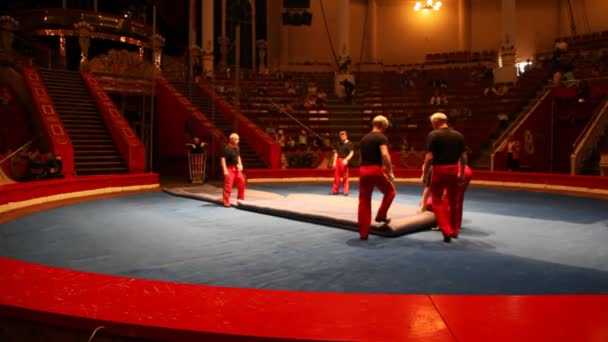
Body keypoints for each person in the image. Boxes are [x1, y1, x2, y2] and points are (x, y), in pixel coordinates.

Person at [421, 112, 467, 243]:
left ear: (435, 122)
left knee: (436, 201)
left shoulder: (433, 135)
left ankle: (445, 230)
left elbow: (429, 157)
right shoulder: (459, 135)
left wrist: (425, 175)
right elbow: (463, 157)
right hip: (454, 169)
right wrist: (462, 173)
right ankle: (454, 230)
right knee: (453, 201)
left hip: (439, 170)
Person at [357, 115, 396, 240]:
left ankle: (363, 233)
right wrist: (389, 171)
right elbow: (385, 155)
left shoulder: (364, 138)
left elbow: (360, 158)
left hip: (363, 170)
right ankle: (381, 215)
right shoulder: (381, 137)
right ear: (384, 126)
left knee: (364, 201)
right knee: (390, 192)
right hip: (375, 170)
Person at [221, 133, 246, 207]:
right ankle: (226, 201)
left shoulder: (237, 148)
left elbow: (238, 157)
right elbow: (223, 159)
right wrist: (225, 170)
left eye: (238, 139)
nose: (238, 141)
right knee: (228, 185)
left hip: (236, 168)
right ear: (232, 139)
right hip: (229, 168)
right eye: (237, 139)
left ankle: (240, 199)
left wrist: (241, 165)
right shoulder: (226, 148)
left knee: (242, 182)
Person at [330, 131, 354, 196]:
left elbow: (351, 153)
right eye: (341, 136)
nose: (342, 137)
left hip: (344, 161)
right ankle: (335, 190)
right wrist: (334, 161)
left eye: (343, 135)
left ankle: (345, 191)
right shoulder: (338, 143)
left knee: (345, 177)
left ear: (346, 136)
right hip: (338, 160)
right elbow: (336, 153)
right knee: (336, 176)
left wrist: (347, 159)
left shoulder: (350, 144)